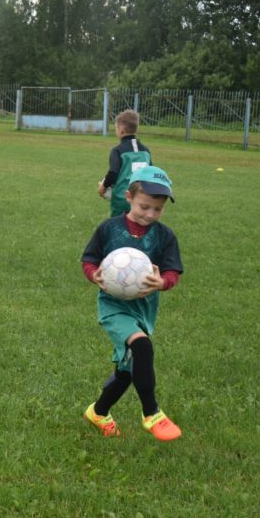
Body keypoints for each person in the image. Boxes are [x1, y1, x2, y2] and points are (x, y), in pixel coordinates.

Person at [81, 165, 183, 441]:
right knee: (141, 346)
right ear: (129, 197)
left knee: (127, 372)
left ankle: (98, 412)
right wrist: (95, 275)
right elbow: (89, 260)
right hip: (113, 306)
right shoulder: (109, 229)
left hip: (143, 309)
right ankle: (152, 413)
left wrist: (162, 282)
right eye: (144, 207)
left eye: (158, 209)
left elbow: (172, 271)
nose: (150, 214)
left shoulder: (165, 236)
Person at [98, 109, 152, 217]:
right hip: (142, 199)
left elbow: (113, 173)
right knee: (139, 224)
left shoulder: (117, 150)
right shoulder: (145, 151)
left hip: (122, 199)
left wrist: (103, 186)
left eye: (116, 128)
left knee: (118, 225)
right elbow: (151, 173)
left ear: (121, 129)